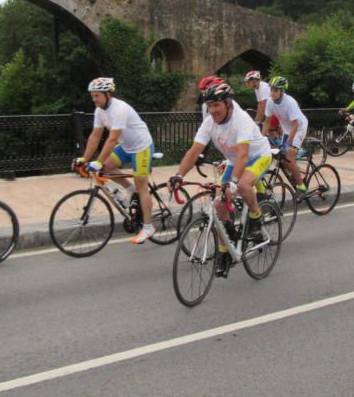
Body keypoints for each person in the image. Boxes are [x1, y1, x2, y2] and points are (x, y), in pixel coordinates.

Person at [170, 82, 273, 276]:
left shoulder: (240, 119)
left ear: (228, 104)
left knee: (242, 186)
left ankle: (256, 218)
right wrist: (178, 175)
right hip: (235, 160)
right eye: (209, 106)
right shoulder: (209, 123)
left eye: (216, 105)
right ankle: (225, 251)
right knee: (217, 204)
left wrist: (232, 181)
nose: (212, 110)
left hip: (258, 156)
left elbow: (244, 154)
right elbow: (194, 152)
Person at [73, 77, 158, 244]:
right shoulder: (99, 111)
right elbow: (95, 135)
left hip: (142, 147)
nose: (94, 99)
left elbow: (111, 139)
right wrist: (85, 158)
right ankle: (130, 188)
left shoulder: (119, 109)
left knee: (142, 185)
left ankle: (148, 227)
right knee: (106, 168)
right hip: (126, 146)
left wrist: (97, 161)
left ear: (107, 94)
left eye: (97, 95)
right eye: (92, 96)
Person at [262, 76, 308, 193]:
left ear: (282, 91)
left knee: (288, 157)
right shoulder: (270, 102)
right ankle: (294, 171)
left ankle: (302, 186)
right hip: (288, 130)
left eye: (275, 90)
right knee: (282, 158)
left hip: (299, 128)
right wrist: (261, 139)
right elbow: (267, 121)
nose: (272, 93)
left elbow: (295, 125)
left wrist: (287, 144)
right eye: (271, 89)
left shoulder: (290, 103)